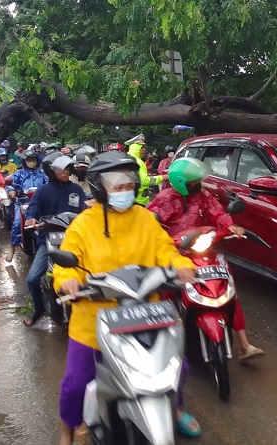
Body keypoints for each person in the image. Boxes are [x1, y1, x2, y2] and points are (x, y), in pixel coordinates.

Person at [52, 151, 200, 445]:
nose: (125, 191)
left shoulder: (145, 218)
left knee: (178, 368)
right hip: (93, 320)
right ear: (100, 188)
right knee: (76, 384)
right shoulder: (83, 224)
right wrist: (68, 280)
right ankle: (67, 430)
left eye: (129, 184)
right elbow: (67, 261)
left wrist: (181, 264)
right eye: (117, 185)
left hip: (144, 314)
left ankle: (173, 409)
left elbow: (165, 250)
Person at [148, 157, 265, 362]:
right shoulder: (165, 199)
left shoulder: (202, 195)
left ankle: (244, 344)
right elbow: (149, 224)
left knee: (227, 287)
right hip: (174, 252)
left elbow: (217, 213)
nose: (198, 185)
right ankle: (166, 340)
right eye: (194, 182)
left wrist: (231, 226)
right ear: (182, 183)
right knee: (165, 291)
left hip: (202, 249)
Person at [22, 153, 87, 326]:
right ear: (51, 171)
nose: (65, 172)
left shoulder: (77, 189)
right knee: (32, 279)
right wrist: (31, 218)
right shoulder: (43, 191)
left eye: (67, 168)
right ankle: (38, 309)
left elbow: (86, 207)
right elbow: (33, 208)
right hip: (49, 240)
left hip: (75, 241)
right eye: (61, 169)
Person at [5, 150, 49, 262]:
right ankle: (12, 247)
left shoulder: (42, 174)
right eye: (29, 160)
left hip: (40, 203)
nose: (31, 162)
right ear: (24, 161)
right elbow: (10, 185)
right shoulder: (19, 173)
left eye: (33, 160)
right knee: (17, 223)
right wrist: (11, 191)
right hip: (22, 202)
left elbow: (49, 184)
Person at [124, 133, 166, 206]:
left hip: (129, 198)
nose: (144, 150)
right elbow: (145, 181)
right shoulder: (138, 162)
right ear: (136, 148)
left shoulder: (126, 159)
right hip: (138, 200)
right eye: (142, 147)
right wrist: (162, 177)